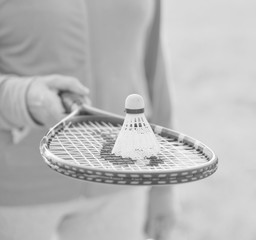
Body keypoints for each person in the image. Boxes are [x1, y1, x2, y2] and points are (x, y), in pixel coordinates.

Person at [0, 0, 176, 239]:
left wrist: (163, 187)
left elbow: (150, 64)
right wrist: (24, 97)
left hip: (122, 178)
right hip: (15, 191)